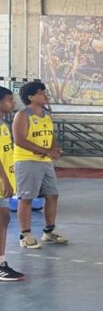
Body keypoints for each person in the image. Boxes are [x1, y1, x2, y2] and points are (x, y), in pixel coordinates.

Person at [13, 81, 68, 249]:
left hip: (45, 162)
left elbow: (51, 136)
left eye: (45, 92)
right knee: (26, 197)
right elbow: (20, 140)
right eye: (40, 93)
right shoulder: (23, 115)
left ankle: (49, 231)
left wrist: (54, 150)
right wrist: (45, 151)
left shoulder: (46, 115)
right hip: (27, 161)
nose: (45, 95)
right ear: (30, 97)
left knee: (52, 195)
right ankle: (25, 235)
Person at [0, 88, 24, 280]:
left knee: (4, 218)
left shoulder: (4, 125)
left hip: (4, 182)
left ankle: (1, 262)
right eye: (9, 99)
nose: (13, 103)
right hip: (2, 181)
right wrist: (6, 181)